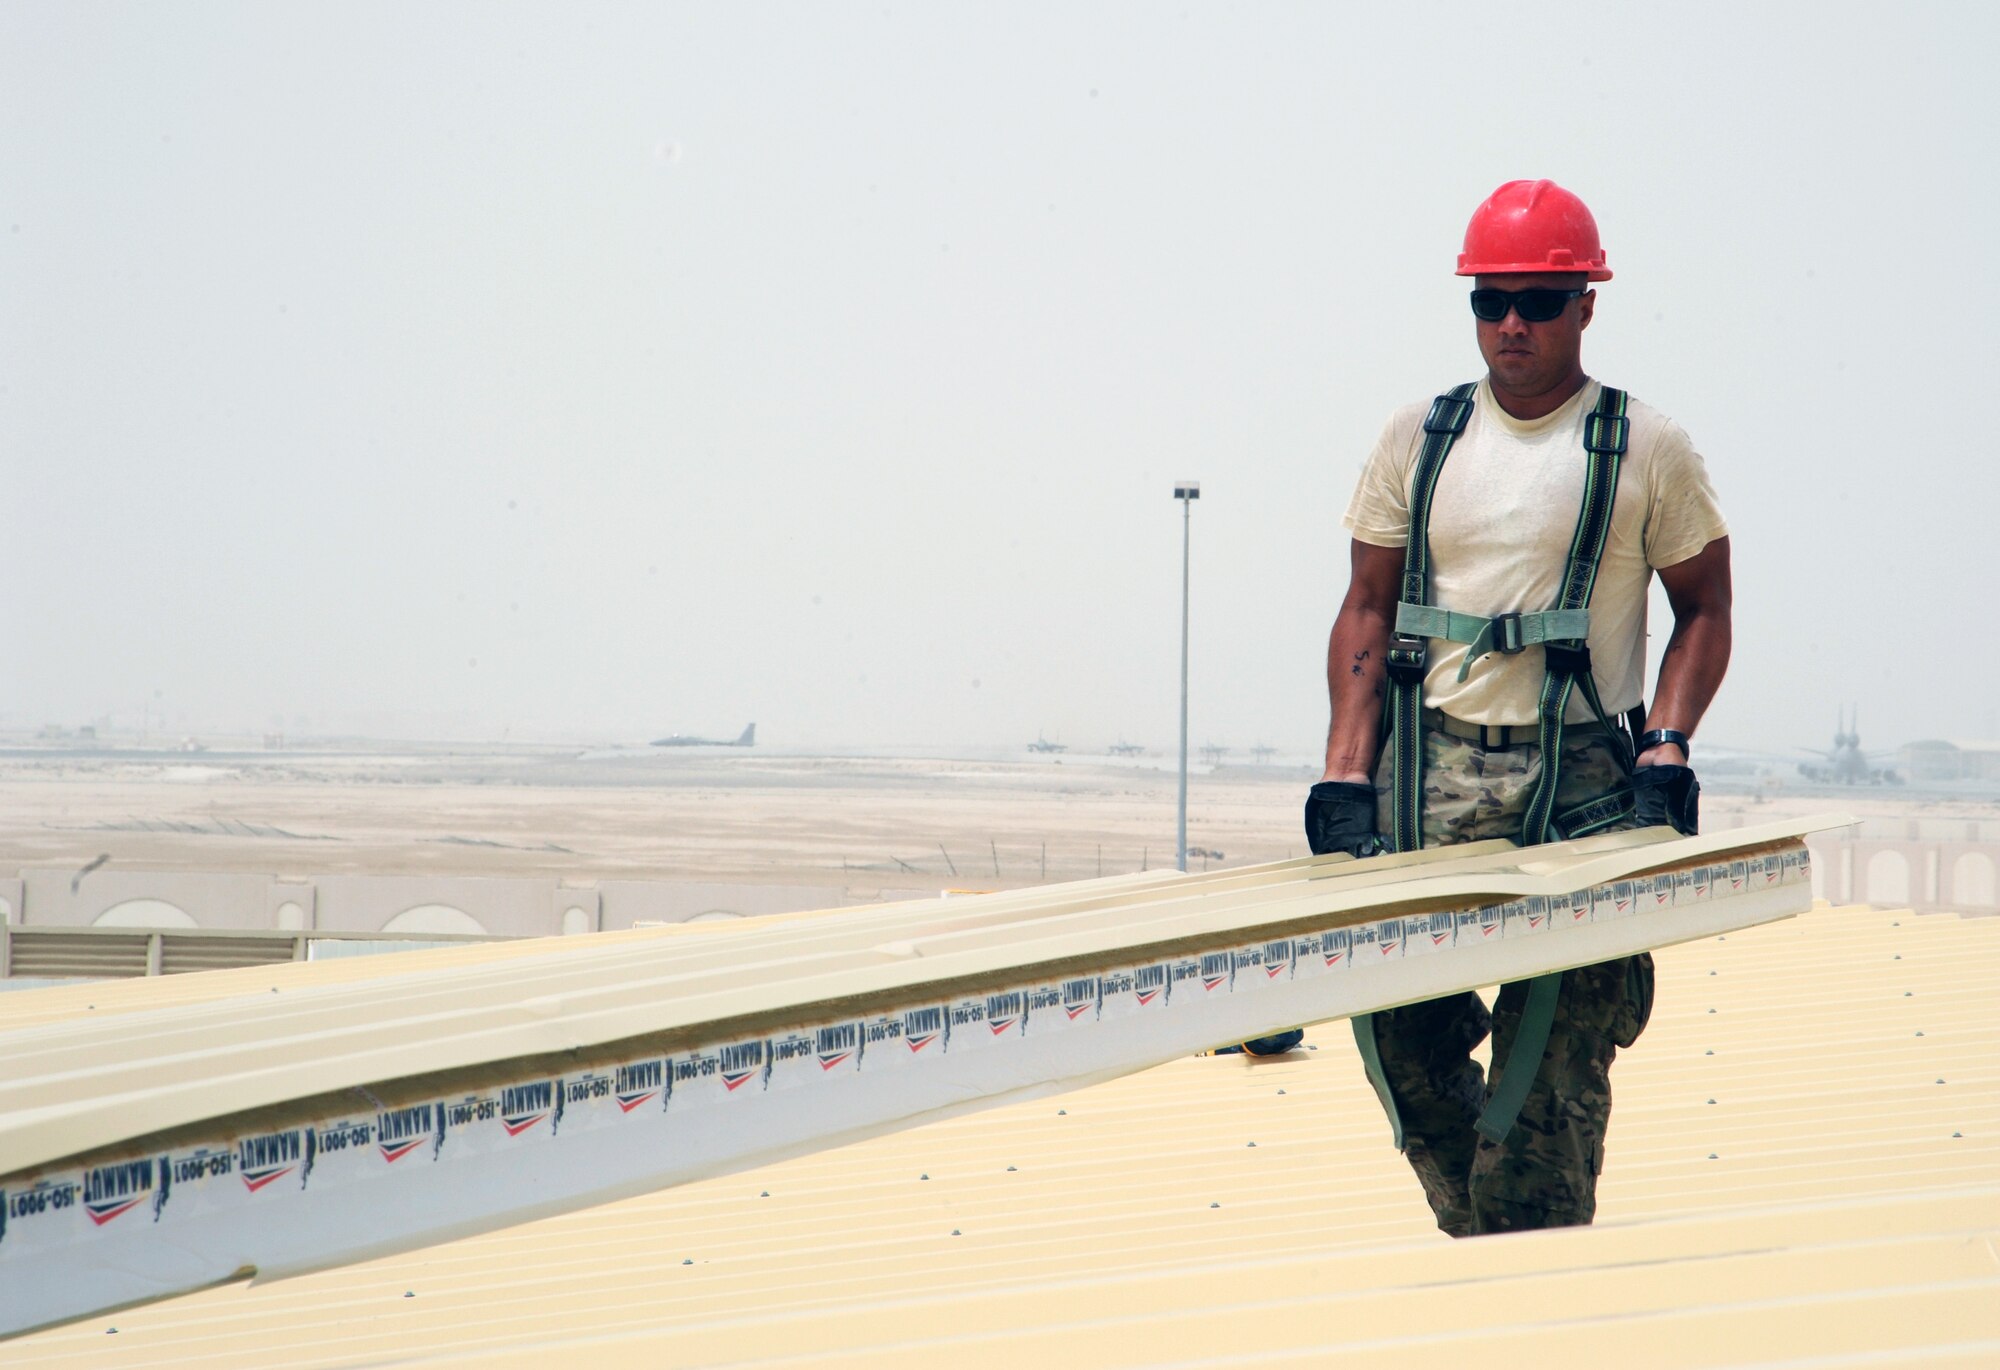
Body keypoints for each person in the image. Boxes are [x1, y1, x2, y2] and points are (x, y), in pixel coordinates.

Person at [1303, 179, 1732, 1237]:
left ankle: (1526, 1280)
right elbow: (1363, 605)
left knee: (1548, 1073)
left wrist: (1667, 744)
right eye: (1488, 299)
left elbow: (1704, 610)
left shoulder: (1644, 447)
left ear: (1585, 304)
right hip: (1426, 774)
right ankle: (1491, 1242)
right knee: (1397, 1043)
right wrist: (1341, 772)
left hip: (1580, 784)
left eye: (1537, 301)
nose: (1510, 323)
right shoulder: (1421, 435)